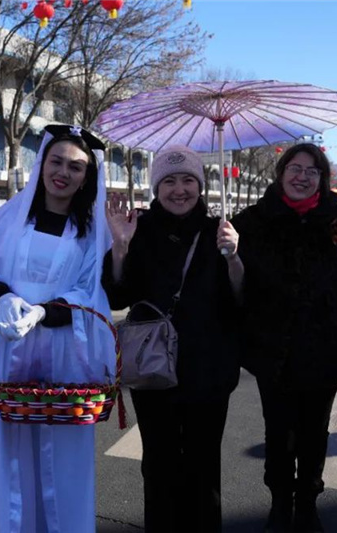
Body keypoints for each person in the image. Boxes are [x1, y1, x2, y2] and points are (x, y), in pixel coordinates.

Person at [0, 124, 115, 533]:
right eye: (57, 161)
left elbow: (92, 297)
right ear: (43, 163)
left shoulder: (92, 233)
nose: (64, 172)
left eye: (77, 167)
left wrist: (44, 313)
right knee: (10, 459)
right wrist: (3, 299)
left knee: (63, 458)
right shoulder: (9, 218)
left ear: (88, 177)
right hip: (10, 349)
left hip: (66, 355)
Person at [101, 145, 243, 533]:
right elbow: (117, 296)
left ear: (201, 184)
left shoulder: (221, 230)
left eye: (187, 180)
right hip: (152, 368)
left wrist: (232, 258)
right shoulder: (138, 229)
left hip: (209, 369)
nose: (179, 190)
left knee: (203, 466)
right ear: (155, 187)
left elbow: (241, 300)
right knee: (159, 465)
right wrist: (120, 246)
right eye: (168, 181)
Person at [230, 143, 337, 532]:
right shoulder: (250, 222)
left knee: (314, 432)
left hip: (323, 349)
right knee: (279, 432)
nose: (302, 176)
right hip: (273, 350)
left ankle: (308, 503)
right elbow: (236, 286)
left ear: (322, 178)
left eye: (311, 171)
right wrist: (229, 254)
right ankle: (280, 502)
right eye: (295, 168)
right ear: (281, 173)